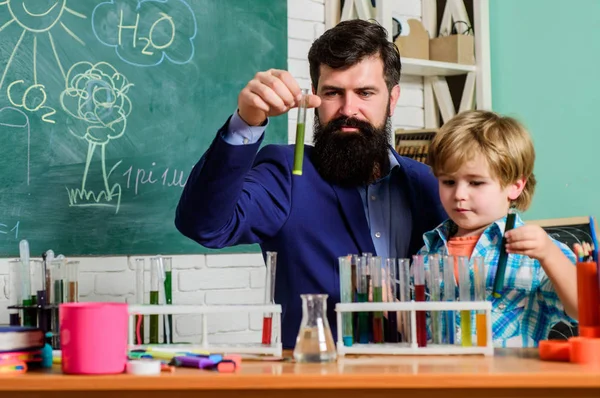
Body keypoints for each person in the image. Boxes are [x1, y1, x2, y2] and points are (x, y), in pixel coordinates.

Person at [175, 19, 447, 348]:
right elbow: (204, 224)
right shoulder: (287, 174)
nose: (349, 109)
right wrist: (247, 121)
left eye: (365, 93)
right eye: (333, 92)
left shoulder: (432, 185)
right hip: (319, 378)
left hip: (426, 376)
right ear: (314, 97)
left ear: (392, 98)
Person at [419, 109, 578, 347]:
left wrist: (549, 254)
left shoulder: (536, 251)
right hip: (439, 380)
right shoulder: (428, 250)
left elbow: (585, 311)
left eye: (476, 182)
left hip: (510, 382)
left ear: (515, 186)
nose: (459, 195)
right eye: (448, 182)